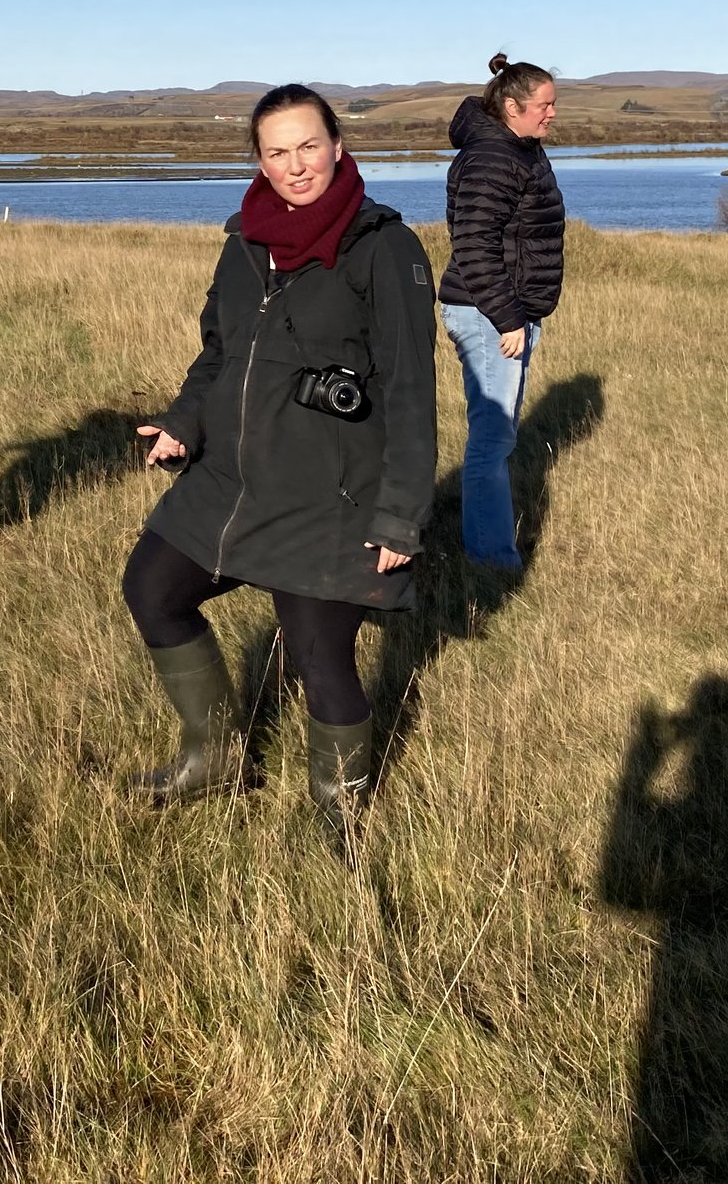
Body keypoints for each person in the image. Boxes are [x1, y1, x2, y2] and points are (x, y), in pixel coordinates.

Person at [123, 84, 439, 862]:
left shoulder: (383, 246)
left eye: (308, 145)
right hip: (232, 479)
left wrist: (399, 513)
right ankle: (214, 761)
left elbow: (408, 389)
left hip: (331, 496)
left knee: (317, 655)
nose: (295, 165)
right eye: (276, 150)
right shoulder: (243, 240)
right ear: (257, 160)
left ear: (337, 144)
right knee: (153, 588)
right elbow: (218, 352)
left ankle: (339, 823)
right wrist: (182, 422)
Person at [437, 52, 564, 574]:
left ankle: (486, 550)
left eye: (554, 104)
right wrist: (508, 318)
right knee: (492, 441)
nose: (552, 114)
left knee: (498, 436)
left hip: (500, 312)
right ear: (511, 106)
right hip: (488, 315)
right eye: (544, 105)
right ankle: (491, 562)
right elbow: (473, 246)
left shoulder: (520, 148)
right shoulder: (494, 157)